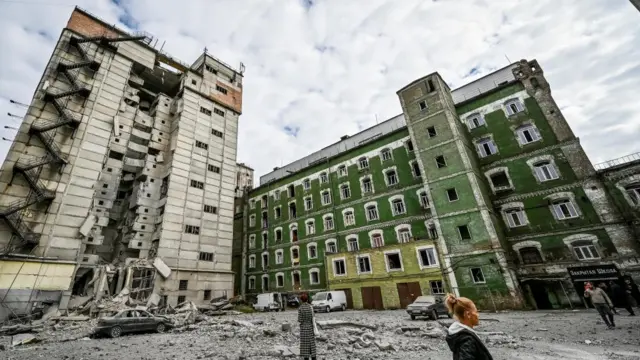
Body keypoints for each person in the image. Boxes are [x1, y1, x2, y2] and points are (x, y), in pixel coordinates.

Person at [444, 294, 493, 360]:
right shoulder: (467, 340)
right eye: (476, 311)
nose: (478, 315)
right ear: (468, 314)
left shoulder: (459, 335)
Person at [297, 293, 316, 360]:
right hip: (310, 327)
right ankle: (314, 357)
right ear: (307, 299)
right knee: (312, 343)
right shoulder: (310, 307)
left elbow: (300, 320)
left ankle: (306, 358)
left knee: (305, 345)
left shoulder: (300, 308)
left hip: (304, 328)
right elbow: (313, 317)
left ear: (301, 300)